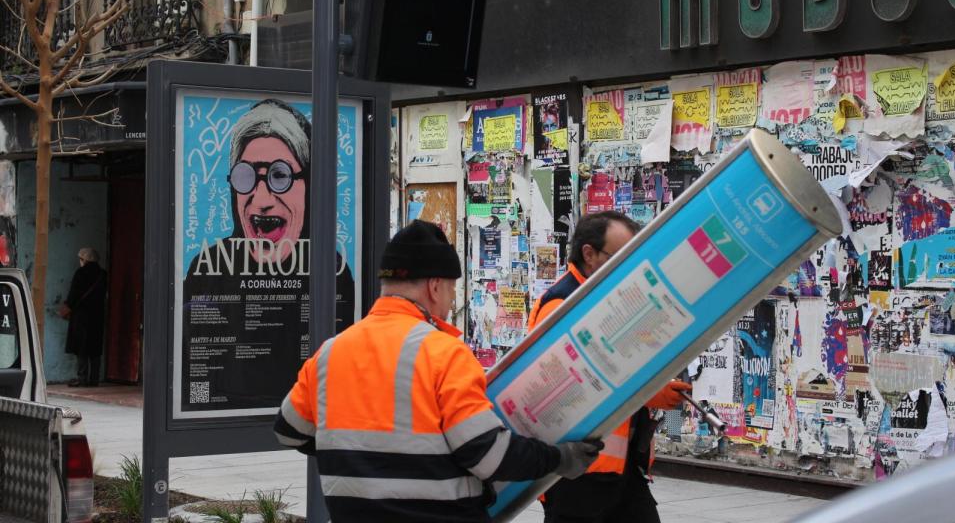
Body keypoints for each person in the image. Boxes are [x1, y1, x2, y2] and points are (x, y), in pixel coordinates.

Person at [274, 220, 604, 522]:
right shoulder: (443, 353)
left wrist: (354, 454)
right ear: (434, 287)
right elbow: (488, 455)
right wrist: (559, 458)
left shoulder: (330, 353)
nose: (449, 302)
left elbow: (289, 431)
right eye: (450, 290)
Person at [182, 98, 354, 412]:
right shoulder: (207, 269)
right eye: (246, 177)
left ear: (309, 186)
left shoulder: (334, 271)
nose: (261, 200)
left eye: (280, 176)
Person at [526, 211, 692, 523]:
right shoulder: (561, 305)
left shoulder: (609, 296)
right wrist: (649, 392)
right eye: (619, 256)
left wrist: (653, 383)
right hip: (578, 472)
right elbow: (580, 383)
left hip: (621, 467)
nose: (628, 265)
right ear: (589, 254)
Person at [64, 247, 107, 387]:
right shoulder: (103, 274)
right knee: (95, 348)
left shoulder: (80, 273)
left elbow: (74, 294)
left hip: (81, 316)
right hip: (97, 315)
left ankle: (82, 378)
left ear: (85, 260)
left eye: (81, 259)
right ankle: (94, 379)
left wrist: (67, 306)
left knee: (81, 348)